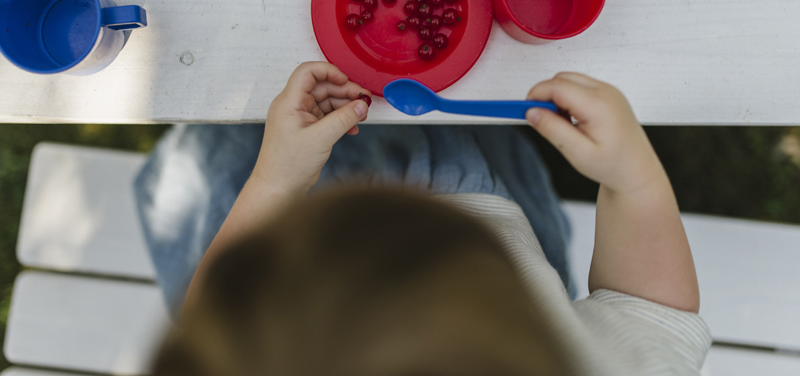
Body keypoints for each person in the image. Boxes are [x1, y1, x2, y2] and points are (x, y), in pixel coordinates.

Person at [135, 61, 711, 376]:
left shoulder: (252, 342)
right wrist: (631, 180)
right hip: (489, 202)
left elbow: (218, 317)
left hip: (278, 223)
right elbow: (651, 310)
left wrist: (274, 181)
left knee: (212, 155)